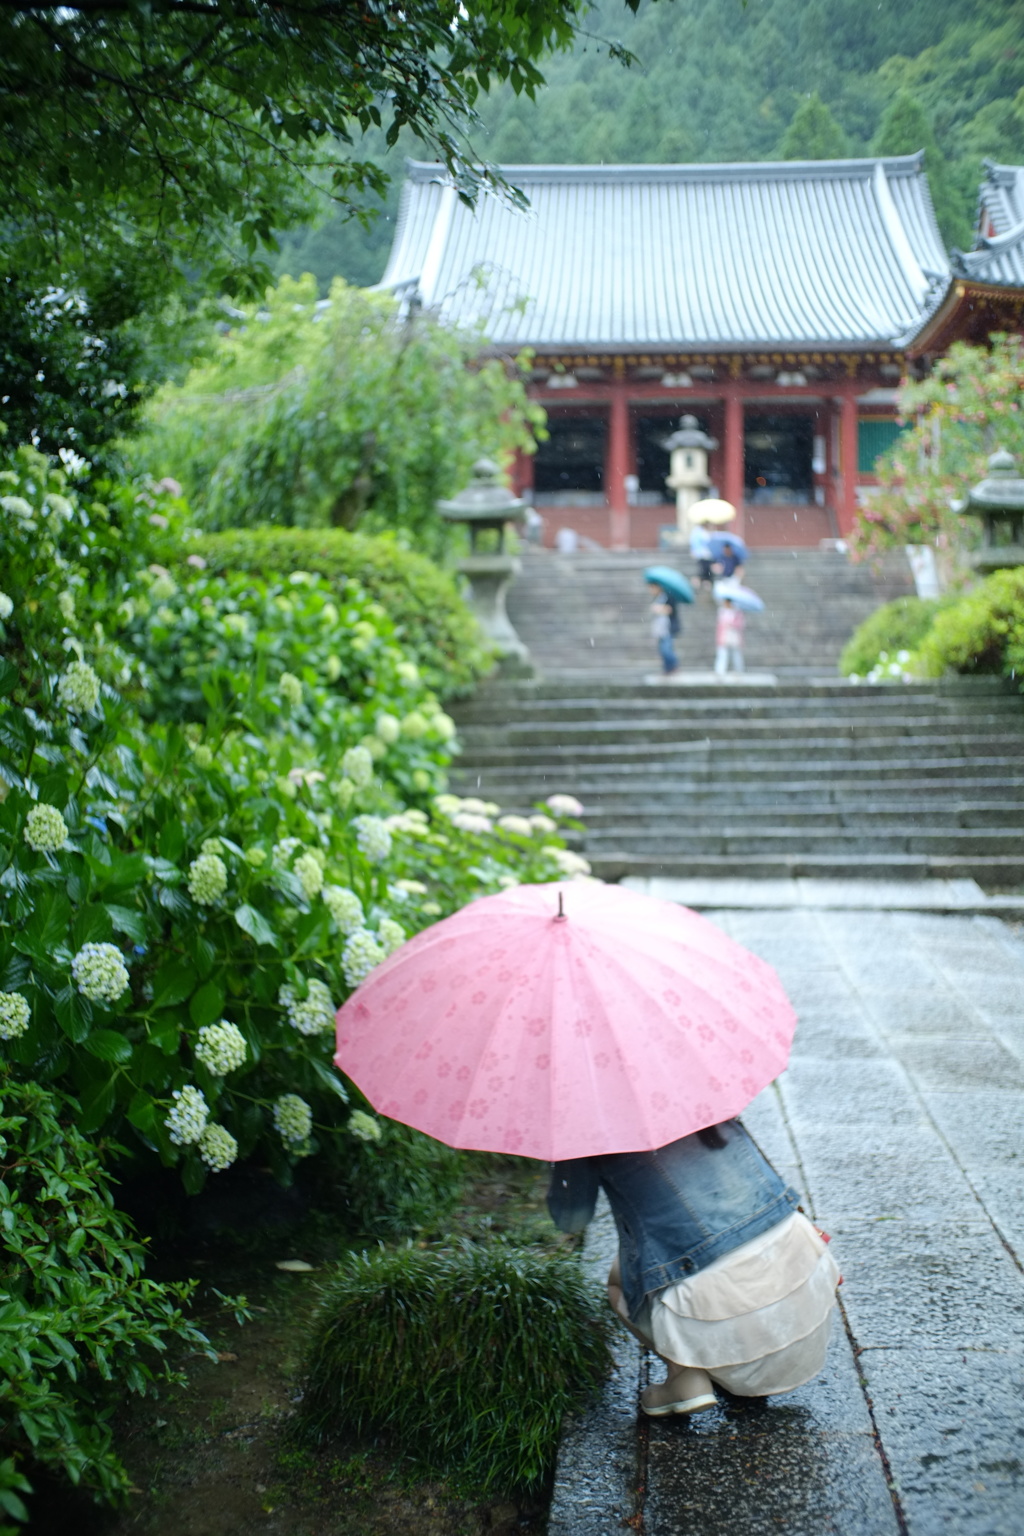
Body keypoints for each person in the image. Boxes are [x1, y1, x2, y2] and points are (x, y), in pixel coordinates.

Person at [547, 1121, 840, 1417]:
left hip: (718, 1294)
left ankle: (685, 1377)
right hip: (800, 1264)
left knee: (619, 1283)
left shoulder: (583, 1128)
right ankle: (721, 1362)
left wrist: (564, 1166)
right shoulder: (694, 1096)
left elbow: (572, 1219)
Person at [649, 588, 680, 675]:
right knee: (662, 649)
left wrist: (659, 609)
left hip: (668, 627)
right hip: (660, 628)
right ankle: (667, 669)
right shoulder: (658, 598)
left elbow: (670, 610)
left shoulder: (669, 597)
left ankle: (673, 666)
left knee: (666, 649)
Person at [714, 595, 745, 675]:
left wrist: (731, 624)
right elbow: (720, 626)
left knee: (736, 654)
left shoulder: (737, 613)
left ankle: (739, 670)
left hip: (734, 635)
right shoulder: (722, 612)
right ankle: (720, 671)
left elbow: (740, 624)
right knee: (722, 654)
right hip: (724, 635)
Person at [689, 519, 714, 591]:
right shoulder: (698, 532)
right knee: (702, 571)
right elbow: (696, 543)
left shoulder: (707, 532)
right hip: (701, 555)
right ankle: (698, 582)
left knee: (706, 571)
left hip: (708, 555)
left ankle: (705, 584)